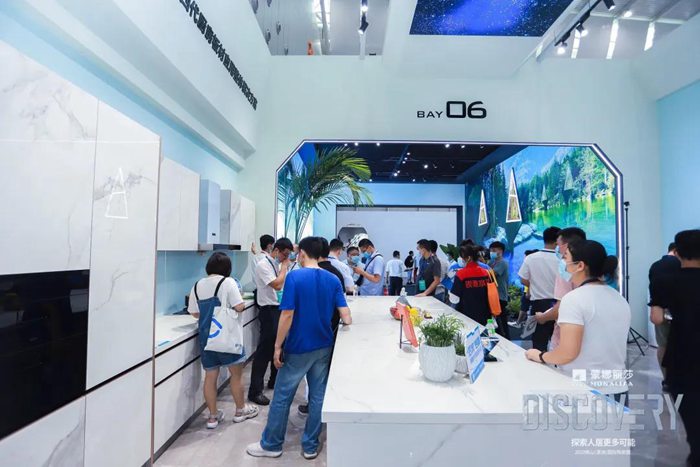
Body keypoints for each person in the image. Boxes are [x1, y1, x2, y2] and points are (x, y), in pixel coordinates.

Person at [246, 236, 352, 460]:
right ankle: (311, 445)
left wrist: (277, 346)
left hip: (298, 347)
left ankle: (272, 444)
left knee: (282, 396)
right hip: (323, 346)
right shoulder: (333, 280)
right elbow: (346, 317)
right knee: (317, 396)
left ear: (302, 253)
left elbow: (287, 314)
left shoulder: (295, 277)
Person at [526, 240, 630, 403]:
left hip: (584, 390)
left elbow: (567, 352)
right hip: (617, 388)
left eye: (565, 257)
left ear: (580, 265)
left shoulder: (574, 299)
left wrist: (540, 356)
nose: (562, 263)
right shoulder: (619, 299)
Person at [188, 252, 259, 428]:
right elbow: (239, 306)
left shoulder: (197, 285)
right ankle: (240, 411)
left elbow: (194, 312)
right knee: (236, 375)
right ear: (227, 268)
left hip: (207, 339)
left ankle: (212, 417)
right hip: (228, 338)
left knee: (210, 377)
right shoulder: (228, 282)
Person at [650, 230, 700, 467]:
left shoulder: (665, 280)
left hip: (682, 351)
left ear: (678, 252)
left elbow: (657, 318)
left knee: (689, 408)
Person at [248, 237, 294, 406]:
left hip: (278, 308)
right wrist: (284, 268)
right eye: (285, 254)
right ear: (276, 250)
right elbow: (277, 285)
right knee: (264, 351)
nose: (286, 258)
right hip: (268, 310)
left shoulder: (275, 264)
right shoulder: (263, 265)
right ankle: (255, 391)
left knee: (279, 346)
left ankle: (274, 380)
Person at [534, 227, 587, 349]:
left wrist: (542, 318)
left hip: (566, 338)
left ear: (566, 246)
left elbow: (562, 307)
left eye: (558, 245)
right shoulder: (592, 266)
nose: (557, 248)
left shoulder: (565, 268)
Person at [518, 226, 561, 352]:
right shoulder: (562, 259)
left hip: (538, 305)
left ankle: (539, 362)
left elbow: (523, 279)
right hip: (559, 304)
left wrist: (534, 284)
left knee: (538, 343)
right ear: (557, 241)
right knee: (559, 342)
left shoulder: (531, 258)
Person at [648, 242, 681, 391]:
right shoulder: (681, 264)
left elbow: (653, 289)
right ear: (676, 251)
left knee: (662, 345)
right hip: (680, 312)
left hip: (660, 311)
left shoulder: (655, 266)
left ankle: (666, 379)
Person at [451, 244, 492, 325]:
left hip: (466, 314)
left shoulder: (461, 274)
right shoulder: (486, 272)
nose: (460, 259)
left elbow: (454, 299)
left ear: (468, 258)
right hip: (484, 314)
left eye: (462, 257)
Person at [489, 241, 510, 339]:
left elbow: (491, 274)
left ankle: (505, 339)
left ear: (500, 251)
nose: (491, 252)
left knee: (501, 320)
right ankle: (494, 338)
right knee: (493, 320)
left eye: (494, 250)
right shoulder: (491, 262)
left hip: (500, 296)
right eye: (491, 250)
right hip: (493, 295)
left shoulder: (503, 263)